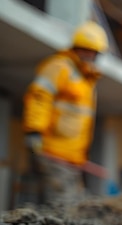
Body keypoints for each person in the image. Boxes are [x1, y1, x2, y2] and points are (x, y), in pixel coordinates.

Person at [22, 20, 108, 204]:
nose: (90, 56)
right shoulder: (59, 67)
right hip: (53, 152)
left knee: (72, 207)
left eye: (94, 52)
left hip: (72, 158)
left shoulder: (86, 80)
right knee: (62, 207)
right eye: (87, 50)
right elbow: (39, 97)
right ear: (78, 48)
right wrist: (34, 131)